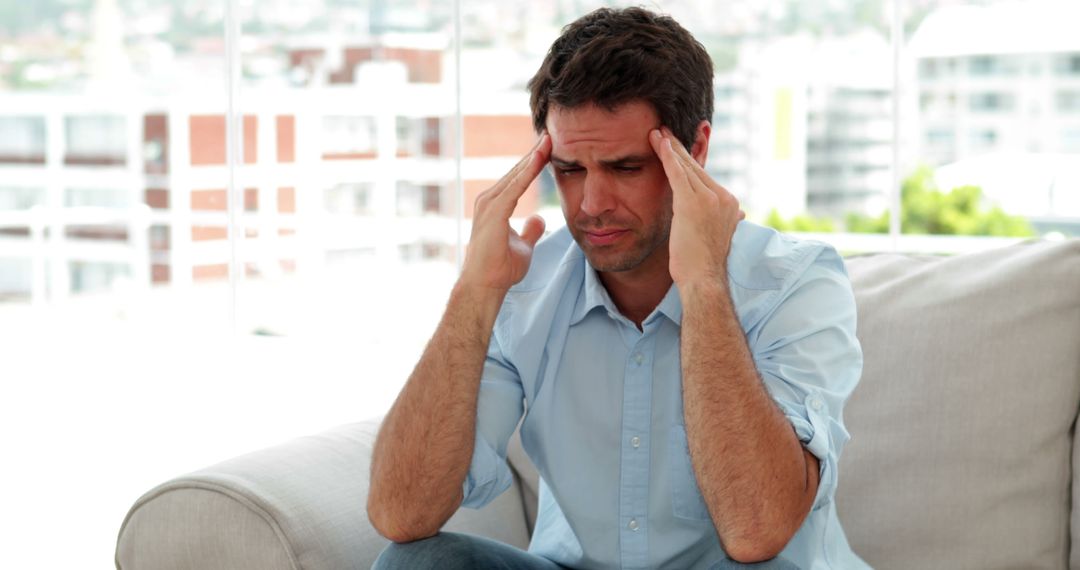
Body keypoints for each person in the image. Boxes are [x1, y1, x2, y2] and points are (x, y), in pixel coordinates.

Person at [367, 7, 868, 569]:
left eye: (626, 167)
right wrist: (473, 294)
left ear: (695, 150)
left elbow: (758, 530)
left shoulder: (795, 285)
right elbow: (401, 515)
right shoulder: (525, 287)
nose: (591, 204)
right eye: (570, 169)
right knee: (415, 562)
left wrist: (703, 284)